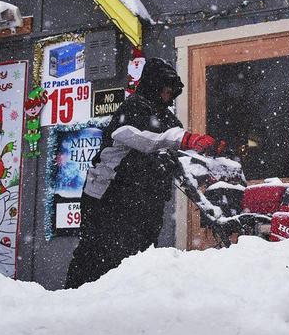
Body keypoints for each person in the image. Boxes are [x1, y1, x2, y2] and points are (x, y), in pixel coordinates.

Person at [64, 57, 218, 289]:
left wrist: (205, 165)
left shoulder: (166, 117)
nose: (167, 96)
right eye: (164, 91)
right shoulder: (132, 109)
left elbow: (176, 152)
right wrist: (185, 139)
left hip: (145, 200)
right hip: (109, 198)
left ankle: (127, 306)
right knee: (98, 255)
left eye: (170, 92)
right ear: (153, 86)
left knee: (138, 259)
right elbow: (147, 139)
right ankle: (75, 299)